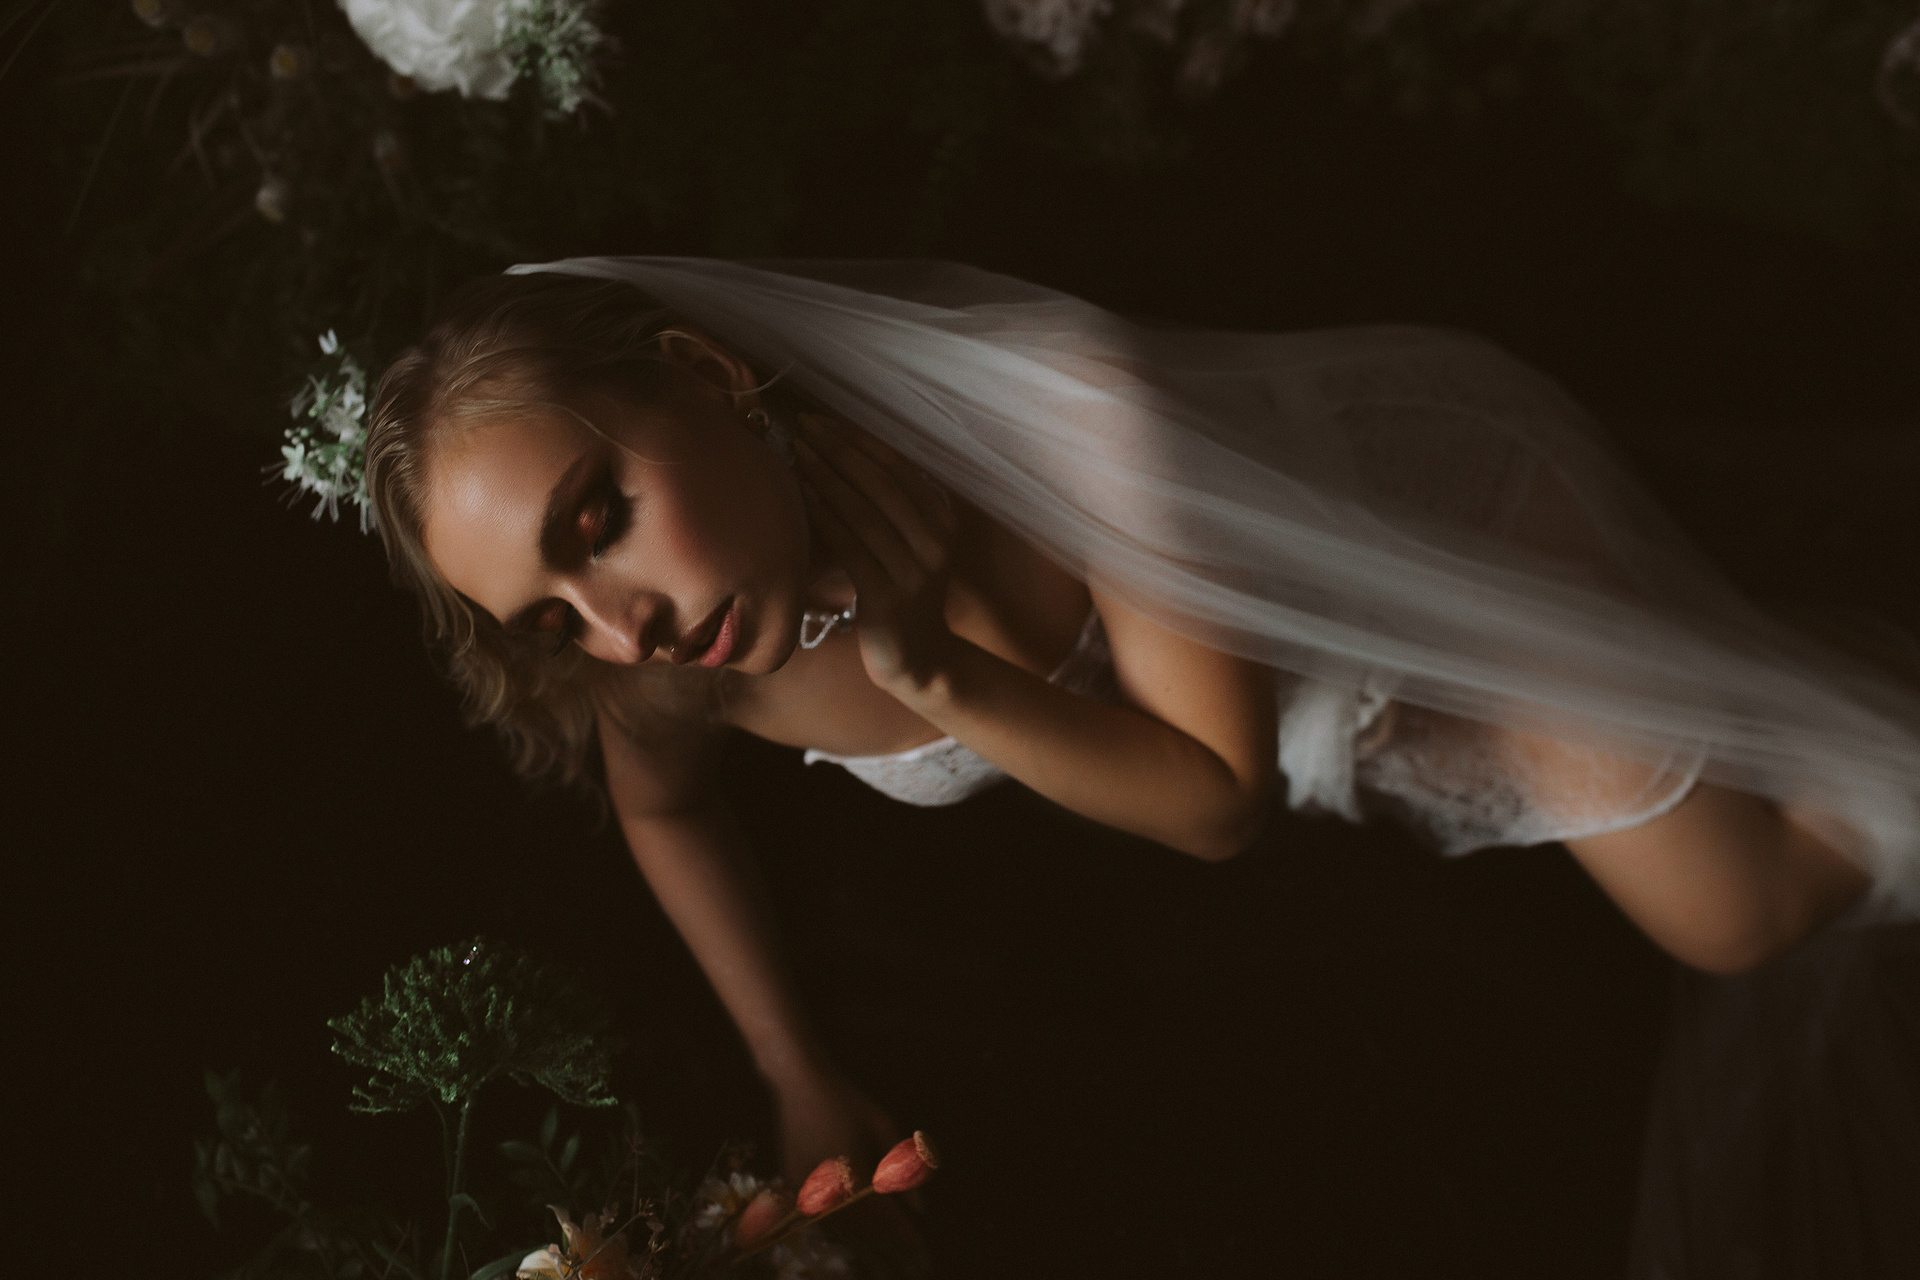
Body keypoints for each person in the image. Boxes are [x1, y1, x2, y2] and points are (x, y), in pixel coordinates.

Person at [361, 257, 1920, 1210]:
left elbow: (1216, 803)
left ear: (704, 374)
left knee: (1740, 911)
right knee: (1746, 804)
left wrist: (930, 672)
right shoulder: (680, 661)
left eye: (599, 519)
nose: (618, 623)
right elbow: (665, 810)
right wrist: (793, 1066)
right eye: (549, 617)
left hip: (1426, 538)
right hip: (1327, 729)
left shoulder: (1069, 409)